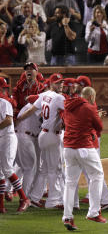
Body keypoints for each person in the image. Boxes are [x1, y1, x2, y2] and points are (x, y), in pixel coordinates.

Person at [16, 73, 65, 209]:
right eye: (57, 83)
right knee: (55, 169)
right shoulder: (59, 97)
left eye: (61, 82)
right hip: (52, 136)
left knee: (43, 169)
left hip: (43, 136)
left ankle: (34, 198)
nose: (60, 85)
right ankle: (53, 201)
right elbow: (71, 111)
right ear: (51, 84)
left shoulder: (44, 95)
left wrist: (18, 119)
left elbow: (32, 110)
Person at [62, 87, 107, 231]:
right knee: (97, 175)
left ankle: (67, 217)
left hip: (68, 148)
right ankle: (94, 212)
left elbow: (72, 121)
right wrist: (97, 115)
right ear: (91, 96)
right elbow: (99, 127)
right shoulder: (89, 107)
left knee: (70, 183)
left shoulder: (67, 106)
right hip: (84, 147)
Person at [0, 77, 31, 214]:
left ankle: (24, 199)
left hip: (8, 137)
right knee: (0, 172)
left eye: (5, 87)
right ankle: (1, 206)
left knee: (7, 168)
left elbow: (8, 120)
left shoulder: (4, 102)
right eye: (3, 87)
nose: (5, 89)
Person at [14, 94, 42, 196]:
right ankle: (25, 197)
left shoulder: (28, 107)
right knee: (29, 167)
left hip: (22, 136)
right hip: (24, 137)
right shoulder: (32, 107)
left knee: (22, 167)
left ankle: (11, 189)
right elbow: (44, 117)